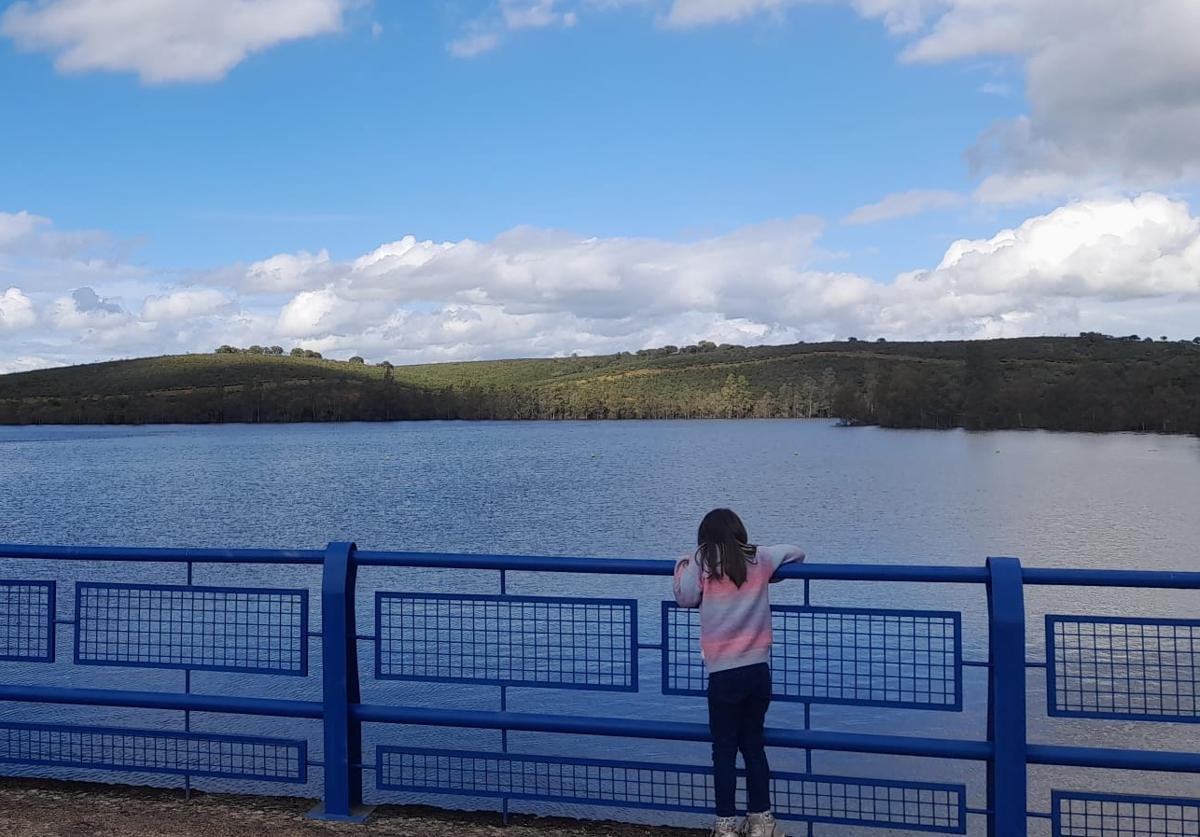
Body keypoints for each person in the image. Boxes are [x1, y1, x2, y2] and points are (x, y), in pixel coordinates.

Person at [673, 508, 805, 837]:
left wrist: (682, 563)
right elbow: (798, 553)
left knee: (724, 751)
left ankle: (726, 826)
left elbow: (686, 598)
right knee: (753, 746)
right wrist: (769, 571)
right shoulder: (759, 558)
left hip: (723, 673)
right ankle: (762, 823)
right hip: (758, 670)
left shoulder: (703, 559)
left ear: (705, 536)